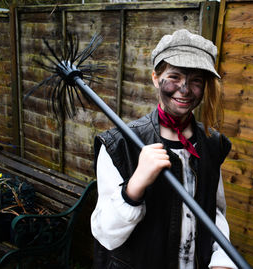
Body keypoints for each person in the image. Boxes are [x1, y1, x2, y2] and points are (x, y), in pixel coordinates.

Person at [91, 29, 237, 269]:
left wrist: (222, 259)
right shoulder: (121, 144)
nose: (185, 89)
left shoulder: (212, 144)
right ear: (155, 78)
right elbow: (105, 235)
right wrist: (135, 185)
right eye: (175, 76)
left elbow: (214, 212)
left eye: (196, 80)